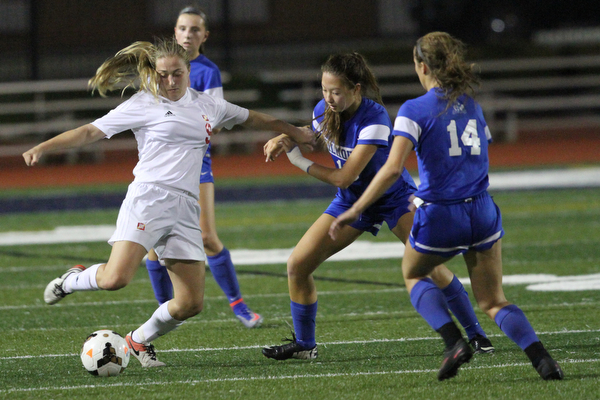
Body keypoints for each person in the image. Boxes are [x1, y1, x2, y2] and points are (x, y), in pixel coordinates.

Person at [24, 38, 313, 368]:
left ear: (189, 71)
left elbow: (258, 119)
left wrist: (296, 132)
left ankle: (138, 339)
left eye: (177, 74)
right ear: (153, 73)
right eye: (163, 75)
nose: (170, 81)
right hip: (149, 198)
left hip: (187, 207)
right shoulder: (143, 103)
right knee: (115, 279)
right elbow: (90, 132)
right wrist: (44, 147)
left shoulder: (208, 105)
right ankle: (70, 281)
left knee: (190, 303)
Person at [329, 33, 564, 381]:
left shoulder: (413, 109)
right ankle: (543, 359)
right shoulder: (471, 104)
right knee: (494, 300)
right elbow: (475, 157)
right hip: (483, 210)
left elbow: (393, 168)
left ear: (422, 66)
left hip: (443, 213)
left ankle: (454, 341)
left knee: (414, 274)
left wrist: (355, 208)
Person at [261, 52, 494, 362]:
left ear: (357, 89)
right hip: (351, 203)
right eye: (324, 89)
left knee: (431, 268)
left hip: (392, 198)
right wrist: (286, 135)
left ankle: (476, 334)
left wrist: (299, 160)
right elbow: (316, 132)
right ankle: (305, 344)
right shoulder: (325, 109)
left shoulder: (376, 119)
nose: (328, 97)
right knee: (297, 265)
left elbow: (345, 177)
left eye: (336, 91)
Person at [144, 5, 263, 329]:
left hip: (198, 164)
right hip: (161, 167)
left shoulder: (207, 71)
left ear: (204, 36)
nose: (187, 34)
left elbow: (217, 120)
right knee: (154, 246)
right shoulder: (159, 67)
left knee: (208, 236)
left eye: (195, 29)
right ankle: (166, 308)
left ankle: (238, 305)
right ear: (175, 32)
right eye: (182, 28)